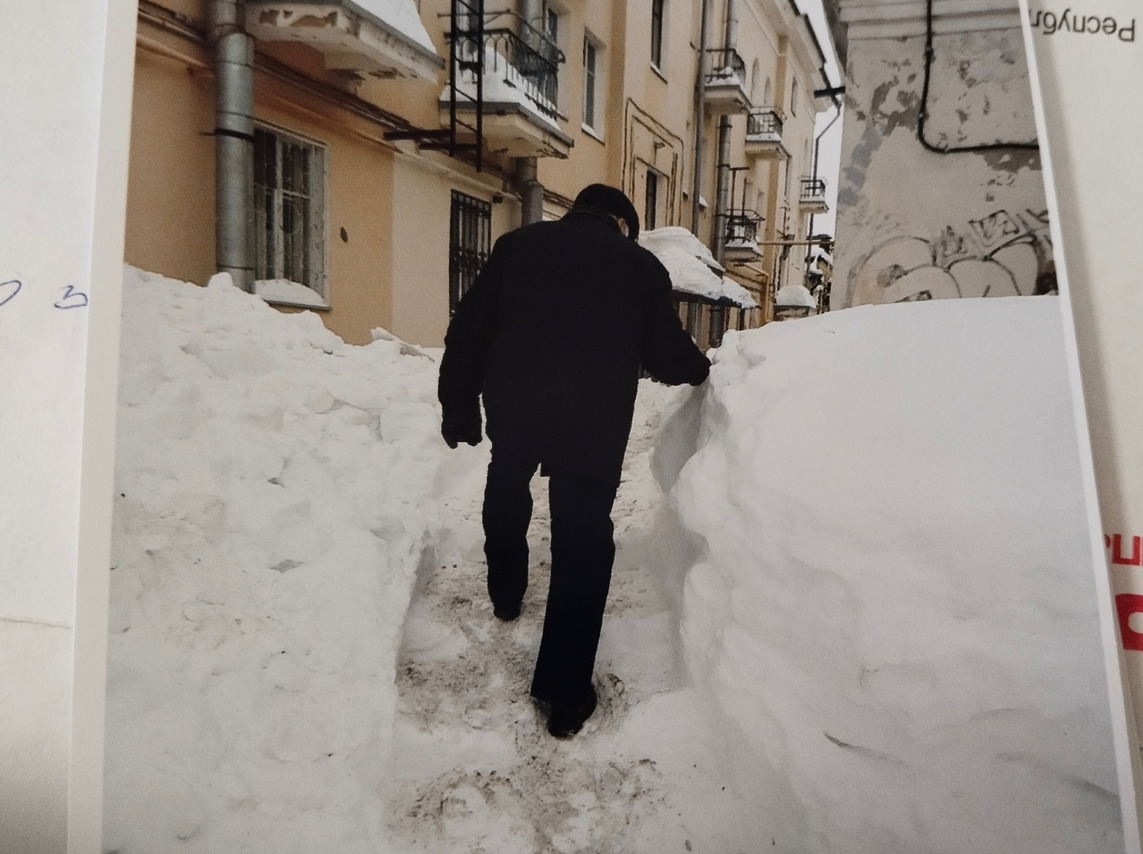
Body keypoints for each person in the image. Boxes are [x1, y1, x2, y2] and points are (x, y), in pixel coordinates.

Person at [437, 184, 711, 738]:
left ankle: (507, 591)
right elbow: (667, 355)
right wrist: (706, 370)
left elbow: (467, 331)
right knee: (582, 544)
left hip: (517, 405)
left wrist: (459, 411)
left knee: (507, 486)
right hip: (591, 422)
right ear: (621, 225)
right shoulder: (640, 269)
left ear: (577, 210)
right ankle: (564, 694)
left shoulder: (518, 247)